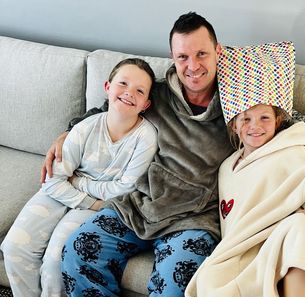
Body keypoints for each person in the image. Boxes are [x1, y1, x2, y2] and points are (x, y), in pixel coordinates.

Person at [41, 12, 234, 297]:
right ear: (172, 56)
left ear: (218, 52)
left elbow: (281, 130)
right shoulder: (155, 96)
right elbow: (106, 113)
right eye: (182, 57)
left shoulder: (239, 106)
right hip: (139, 206)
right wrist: (67, 133)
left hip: (193, 219)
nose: (192, 66)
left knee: (174, 287)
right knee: (77, 249)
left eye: (202, 54)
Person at [185, 42, 305, 297]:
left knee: (302, 229)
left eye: (264, 118)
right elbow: (236, 225)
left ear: (278, 120)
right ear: (235, 125)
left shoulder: (292, 150)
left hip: (297, 237)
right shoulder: (227, 168)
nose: (255, 127)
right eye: (246, 119)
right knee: (211, 277)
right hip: (250, 250)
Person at [1, 58, 158, 297]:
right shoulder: (85, 128)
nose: (129, 93)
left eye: (139, 90)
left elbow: (125, 189)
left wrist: (79, 183)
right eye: (123, 83)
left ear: (146, 103)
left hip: (93, 205)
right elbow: (53, 180)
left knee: (56, 261)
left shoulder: (145, 138)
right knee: (14, 247)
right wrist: (88, 198)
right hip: (68, 194)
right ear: (107, 87)